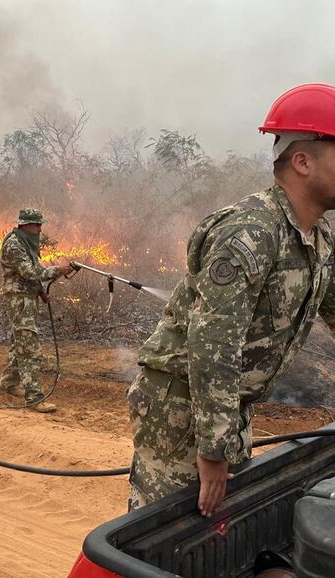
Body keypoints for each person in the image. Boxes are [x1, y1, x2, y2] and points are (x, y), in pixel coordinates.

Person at [128, 83, 335, 518]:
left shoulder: (319, 238)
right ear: (303, 161)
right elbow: (212, 345)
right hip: (180, 404)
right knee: (169, 533)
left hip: (226, 406)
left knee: (224, 528)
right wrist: (213, 448)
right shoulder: (250, 235)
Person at [0, 207, 73, 413]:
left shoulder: (26, 243)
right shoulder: (14, 245)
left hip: (27, 298)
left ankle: (9, 383)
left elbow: (33, 273)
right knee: (29, 349)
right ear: (25, 224)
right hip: (18, 301)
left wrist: (41, 292)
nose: (40, 229)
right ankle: (34, 398)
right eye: (37, 225)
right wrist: (58, 270)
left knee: (20, 342)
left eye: (40, 225)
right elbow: (29, 272)